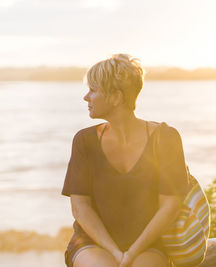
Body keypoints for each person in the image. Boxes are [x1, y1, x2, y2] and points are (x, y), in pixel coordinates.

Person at [61, 54, 190, 267]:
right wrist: (115, 252)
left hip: (149, 244)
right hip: (92, 243)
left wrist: (131, 254)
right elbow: (80, 208)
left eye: (93, 90)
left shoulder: (166, 138)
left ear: (116, 97)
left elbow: (170, 206)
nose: (86, 97)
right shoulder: (85, 141)